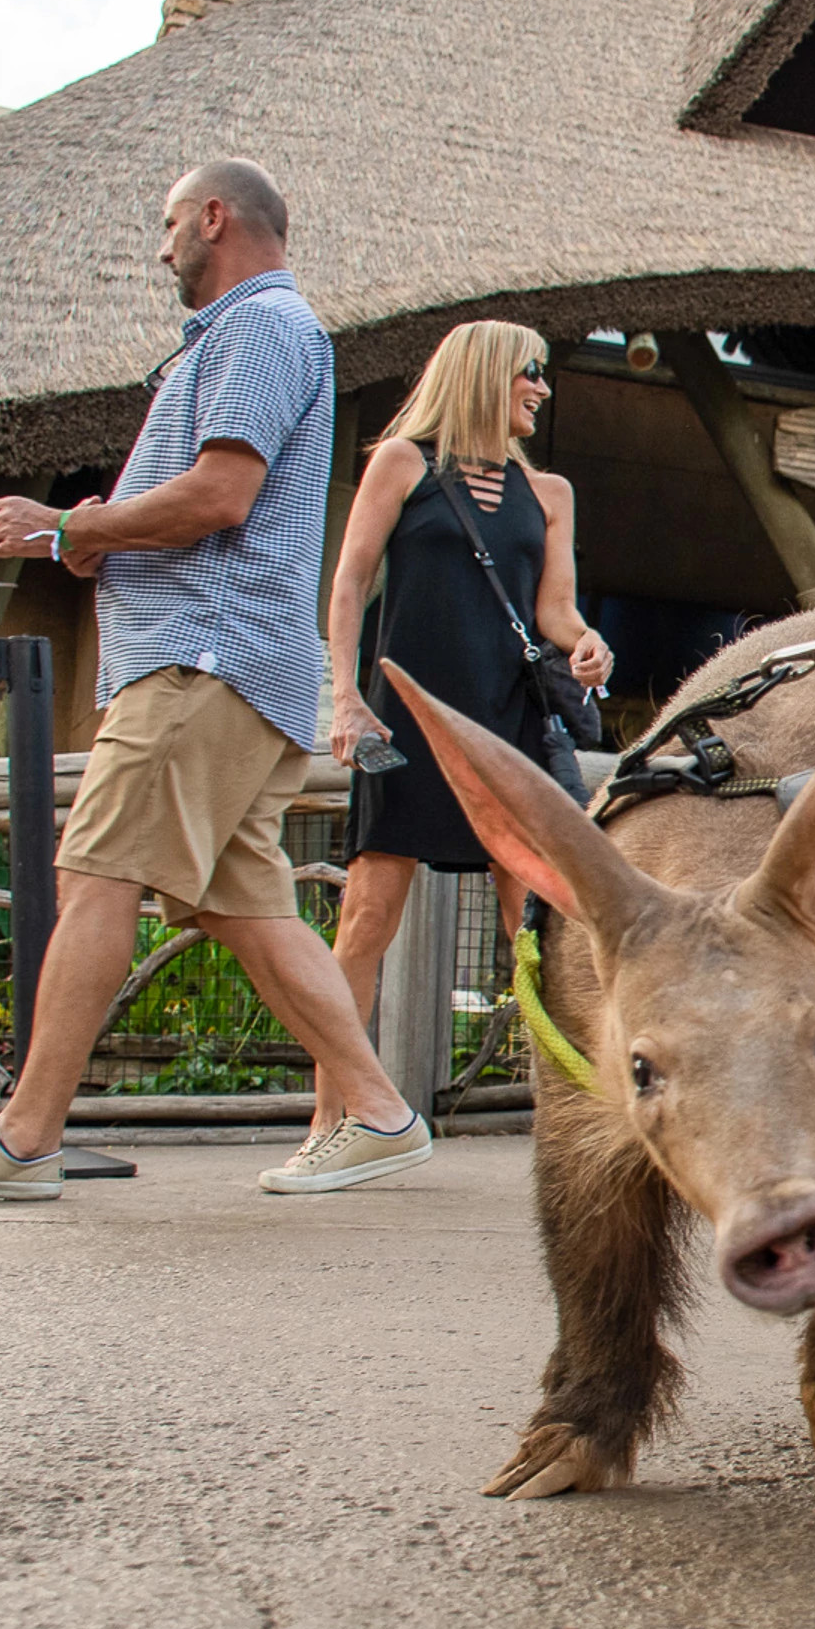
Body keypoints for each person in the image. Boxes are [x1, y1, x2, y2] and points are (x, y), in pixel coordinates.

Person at [0, 160, 430, 1201]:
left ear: (215, 217)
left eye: (170, 222)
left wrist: (68, 526)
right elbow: (199, 500)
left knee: (97, 877)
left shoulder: (258, 329)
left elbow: (221, 493)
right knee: (242, 902)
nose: (159, 244)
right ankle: (381, 1111)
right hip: (234, 659)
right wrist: (96, 539)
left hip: (199, 660)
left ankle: (23, 1136)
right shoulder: (247, 337)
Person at [318, 320, 612, 1132]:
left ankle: (567, 1115)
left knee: (533, 919)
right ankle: (331, 1119)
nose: (542, 390)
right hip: (408, 719)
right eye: (531, 373)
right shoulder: (403, 463)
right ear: (485, 373)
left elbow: (554, 610)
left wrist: (587, 644)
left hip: (505, 720)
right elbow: (348, 585)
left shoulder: (550, 492)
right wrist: (344, 696)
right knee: (368, 917)